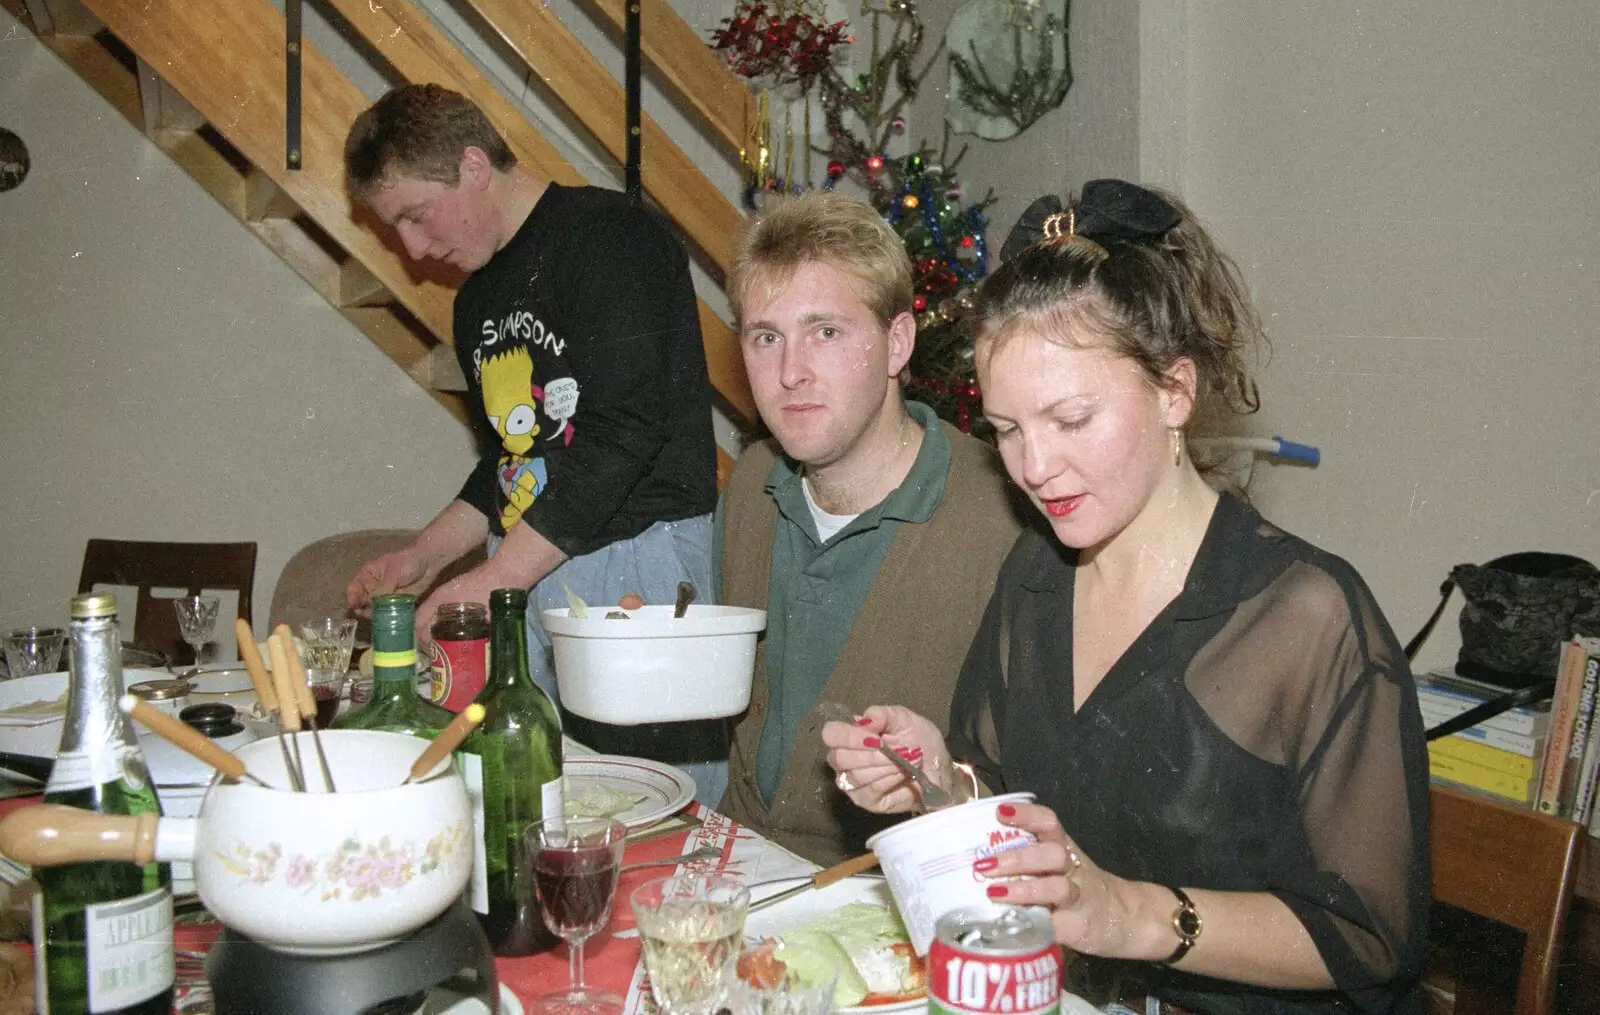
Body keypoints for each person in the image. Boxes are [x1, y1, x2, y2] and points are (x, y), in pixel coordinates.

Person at [823, 181, 1430, 1014]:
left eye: (1071, 419)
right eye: (1006, 429)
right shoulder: (1038, 575)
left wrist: (1134, 915)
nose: (1033, 467)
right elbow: (1021, 818)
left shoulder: (1306, 617)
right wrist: (940, 782)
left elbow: (1374, 935)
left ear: (1174, 392)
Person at [341, 83, 726, 800]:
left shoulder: (610, 238)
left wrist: (492, 580)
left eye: (415, 216)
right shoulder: (477, 299)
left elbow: (624, 433)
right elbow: (513, 462)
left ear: (474, 165)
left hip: (638, 560)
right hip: (535, 560)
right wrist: (423, 554)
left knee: (660, 808)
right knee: (545, 799)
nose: (414, 250)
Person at [715, 192, 1027, 865]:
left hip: (901, 896)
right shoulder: (749, 487)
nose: (790, 372)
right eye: (765, 337)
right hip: (739, 871)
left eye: (826, 332)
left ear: (897, 343)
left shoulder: (1004, 516)